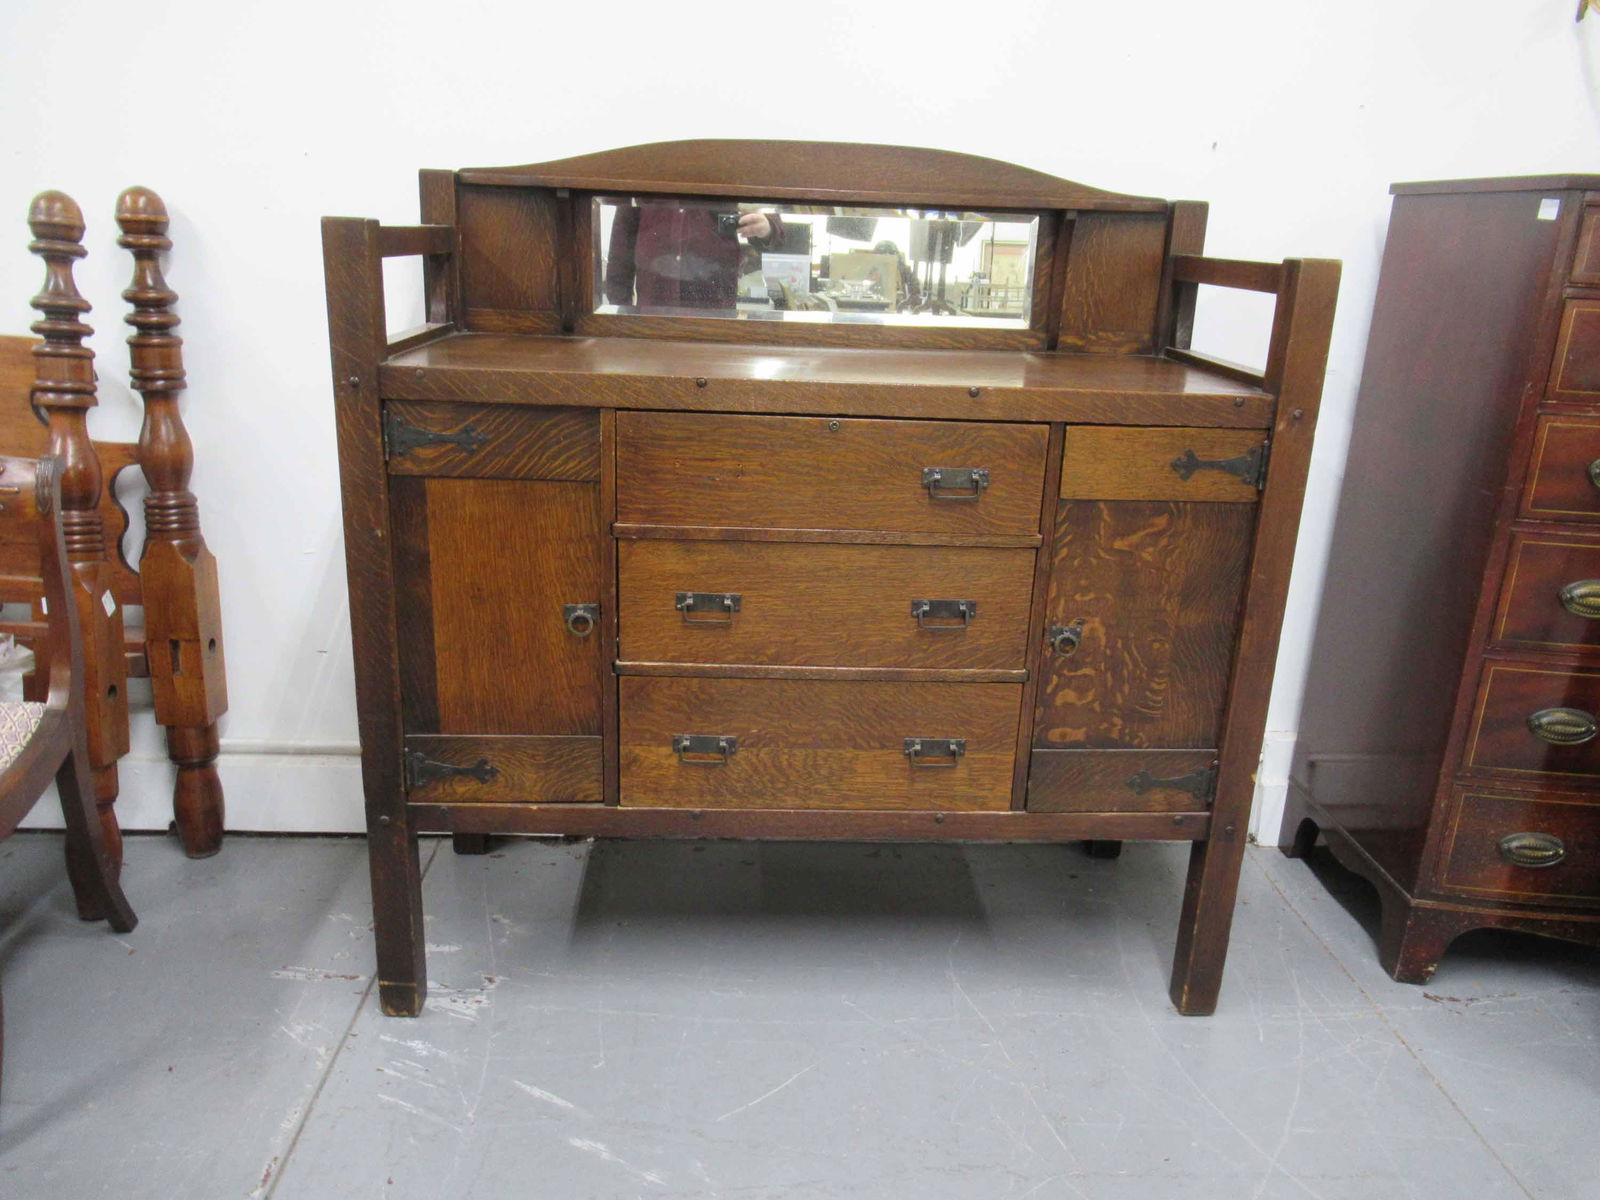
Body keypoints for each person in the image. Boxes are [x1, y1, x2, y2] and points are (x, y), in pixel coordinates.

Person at [604, 200, 784, 309]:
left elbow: (774, 229)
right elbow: (620, 250)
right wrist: (621, 314)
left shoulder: (729, 164)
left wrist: (767, 226)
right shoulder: (644, 169)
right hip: (654, 312)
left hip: (714, 311)